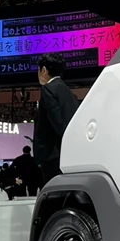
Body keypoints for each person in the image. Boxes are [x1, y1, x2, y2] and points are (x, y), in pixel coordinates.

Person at [33, 53, 79, 185]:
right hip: (66, 152)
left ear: (44, 70)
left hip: (52, 154)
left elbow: (57, 122)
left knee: (54, 189)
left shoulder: (48, 89)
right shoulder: (66, 91)